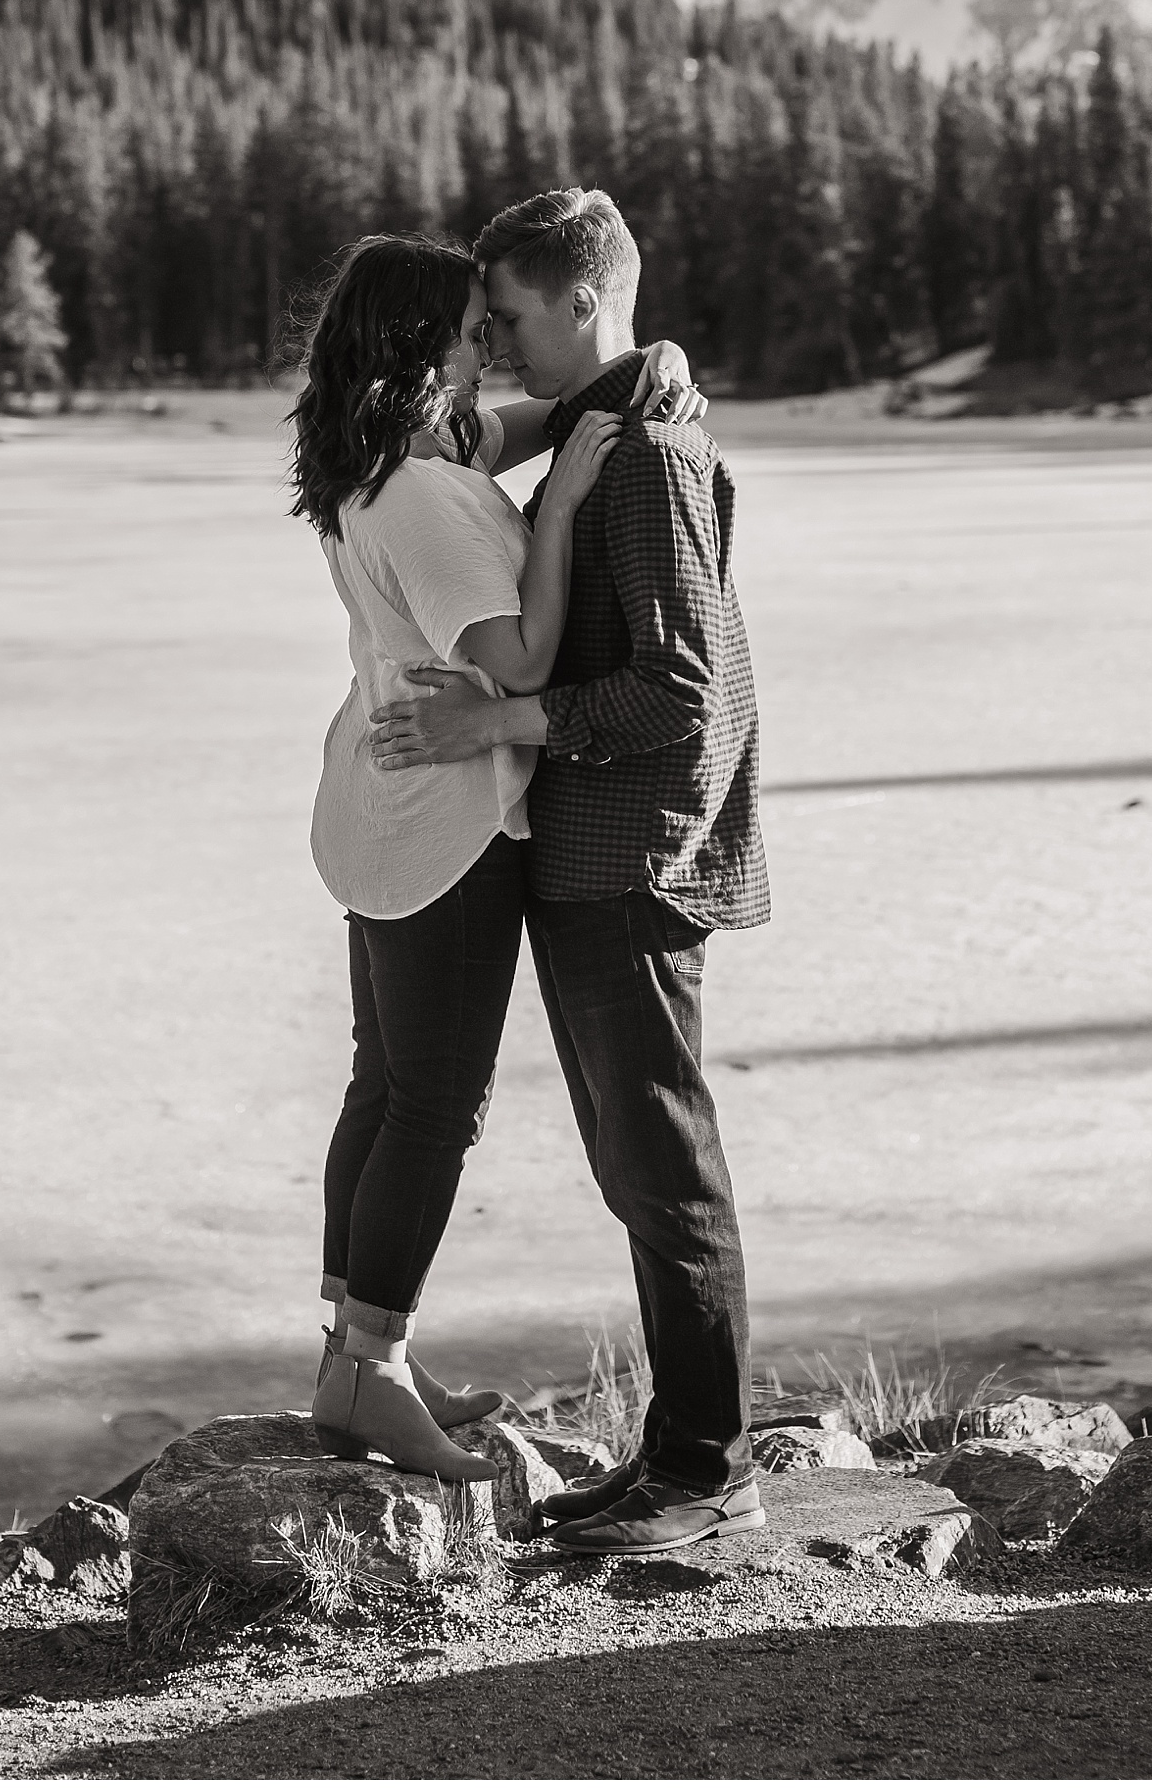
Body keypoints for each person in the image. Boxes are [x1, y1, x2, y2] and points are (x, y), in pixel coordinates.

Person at [369, 187, 770, 1554]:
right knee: (634, 1164)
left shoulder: (645, 454)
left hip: (632, 858)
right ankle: (676, 1455)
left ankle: (709, 1468)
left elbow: (682, 688)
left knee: (665, 1165)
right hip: (592, 856)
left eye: (512, 318)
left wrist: (499, 720)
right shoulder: (609, 425)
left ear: (583, 301)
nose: (494, 344)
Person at [287, 230, 703, 1480]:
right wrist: (568, 502)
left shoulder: (386, 453)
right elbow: (517, 659)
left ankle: (353, 1359)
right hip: (452, 825)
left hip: (381, 805)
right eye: (474, 328)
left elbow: (512, 427)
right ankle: (370, 1368)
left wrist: (629, 373)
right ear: (427, 345)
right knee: (433, 1102)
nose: (493, 347)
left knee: (382, 1080)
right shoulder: (422, 494)